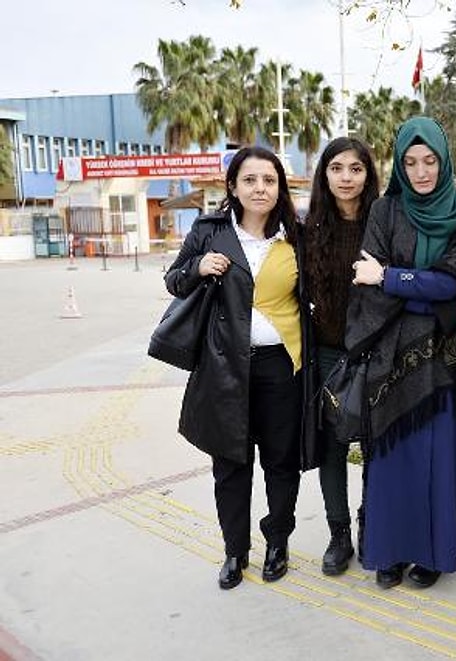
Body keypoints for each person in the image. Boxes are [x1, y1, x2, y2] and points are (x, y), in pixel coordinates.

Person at [347, 116, 456, 589]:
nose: (421, 172)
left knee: (440, 458)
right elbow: (365, 279)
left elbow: (451, 283)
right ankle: (391, 552)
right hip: (393, 356)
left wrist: (391, 277)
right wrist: (413, 286)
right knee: (394, 459)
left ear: (444, 160)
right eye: (410, 163)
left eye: (429, 161)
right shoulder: (385, 211)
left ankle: (433, 553)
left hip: (448, 358)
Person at [165, 146, 305, 590]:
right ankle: (234, 550)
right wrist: (197, 266)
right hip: (224, 367)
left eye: (269, 180)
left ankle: (278, 543)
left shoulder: (296, 236)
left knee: (281, 462)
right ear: (233, 186)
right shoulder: (210, 231)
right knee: (230, 464)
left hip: (281, 367)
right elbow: (173, 280)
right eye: (250, 180)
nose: (260, 188)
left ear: (280, 188)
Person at [301, 137, 380, 576]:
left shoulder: (384, 222)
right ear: (325, 175)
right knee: (332, 448)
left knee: (374, 446)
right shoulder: (308, 229)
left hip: (375, 354)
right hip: (329, 355)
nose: (346, 177)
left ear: (368, 175)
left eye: (356, 168)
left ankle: (372, 525)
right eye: (336, 168)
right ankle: (339, 534)